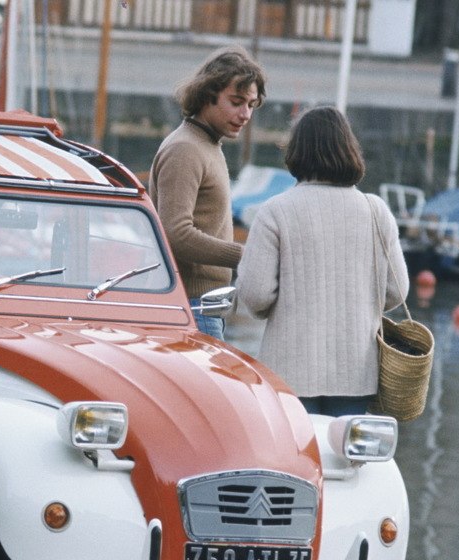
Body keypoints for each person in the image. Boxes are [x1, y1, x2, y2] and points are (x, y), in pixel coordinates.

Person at [235, 105, 409, 417]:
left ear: (296, 152)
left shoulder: (275, 211)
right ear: (349, 149)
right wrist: (359, 307)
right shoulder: (375, 210)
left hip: (288, 371)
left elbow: (255, 295)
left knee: (295, 462)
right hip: (357, 372)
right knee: (346, 464)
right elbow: (397, 290)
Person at [148, 46, 266, 341]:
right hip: (192, 309)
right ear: (206, 95)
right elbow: (176, 234)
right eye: (236, 102)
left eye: (252, 104)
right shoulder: (186, 149)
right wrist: (249, 255)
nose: (245, 114)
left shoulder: (206, 144)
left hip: (205, 307)